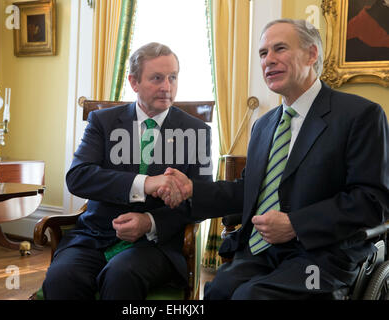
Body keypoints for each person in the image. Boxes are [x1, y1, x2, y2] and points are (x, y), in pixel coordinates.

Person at [156, 19, 389, 299]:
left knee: (251, 296)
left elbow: (372, 202)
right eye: (263, 53)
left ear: (312, 54)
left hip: (323, 258)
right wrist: (193, 189)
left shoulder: (359, 115)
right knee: (217, 290)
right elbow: (248, 191)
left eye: (280, 49)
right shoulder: (264, 125)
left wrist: (295, 224)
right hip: (263, 252)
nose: (269, 60)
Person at [41, 42, 212, 299]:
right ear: (134, 82)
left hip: (156, 245)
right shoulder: (103, 122)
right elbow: (78, 177)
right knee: (62, 277)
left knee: (121, 275)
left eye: (173, 77)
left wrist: (149, 223)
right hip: (94, 236)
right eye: (157, 78)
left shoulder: (197, 132)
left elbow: (203, 201)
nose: (167, 87)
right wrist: (145, 183)